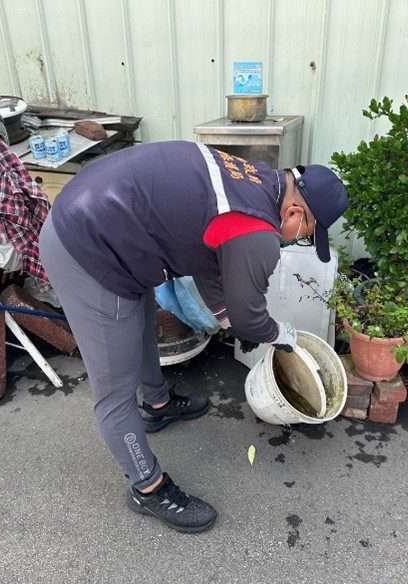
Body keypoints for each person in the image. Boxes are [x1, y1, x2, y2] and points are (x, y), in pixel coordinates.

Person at [38, 141, 347, 533]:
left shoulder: (255, 178)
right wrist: (274, 333)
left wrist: (230, 317)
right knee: (115, 391)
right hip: (86, 247)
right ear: (295, 212)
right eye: (306, 233)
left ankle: (159, 403)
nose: (298, 239)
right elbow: (250, 316)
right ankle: (148, 488)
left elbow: (214, 255)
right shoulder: (257, 231)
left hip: (103, 215)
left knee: (141, 319)